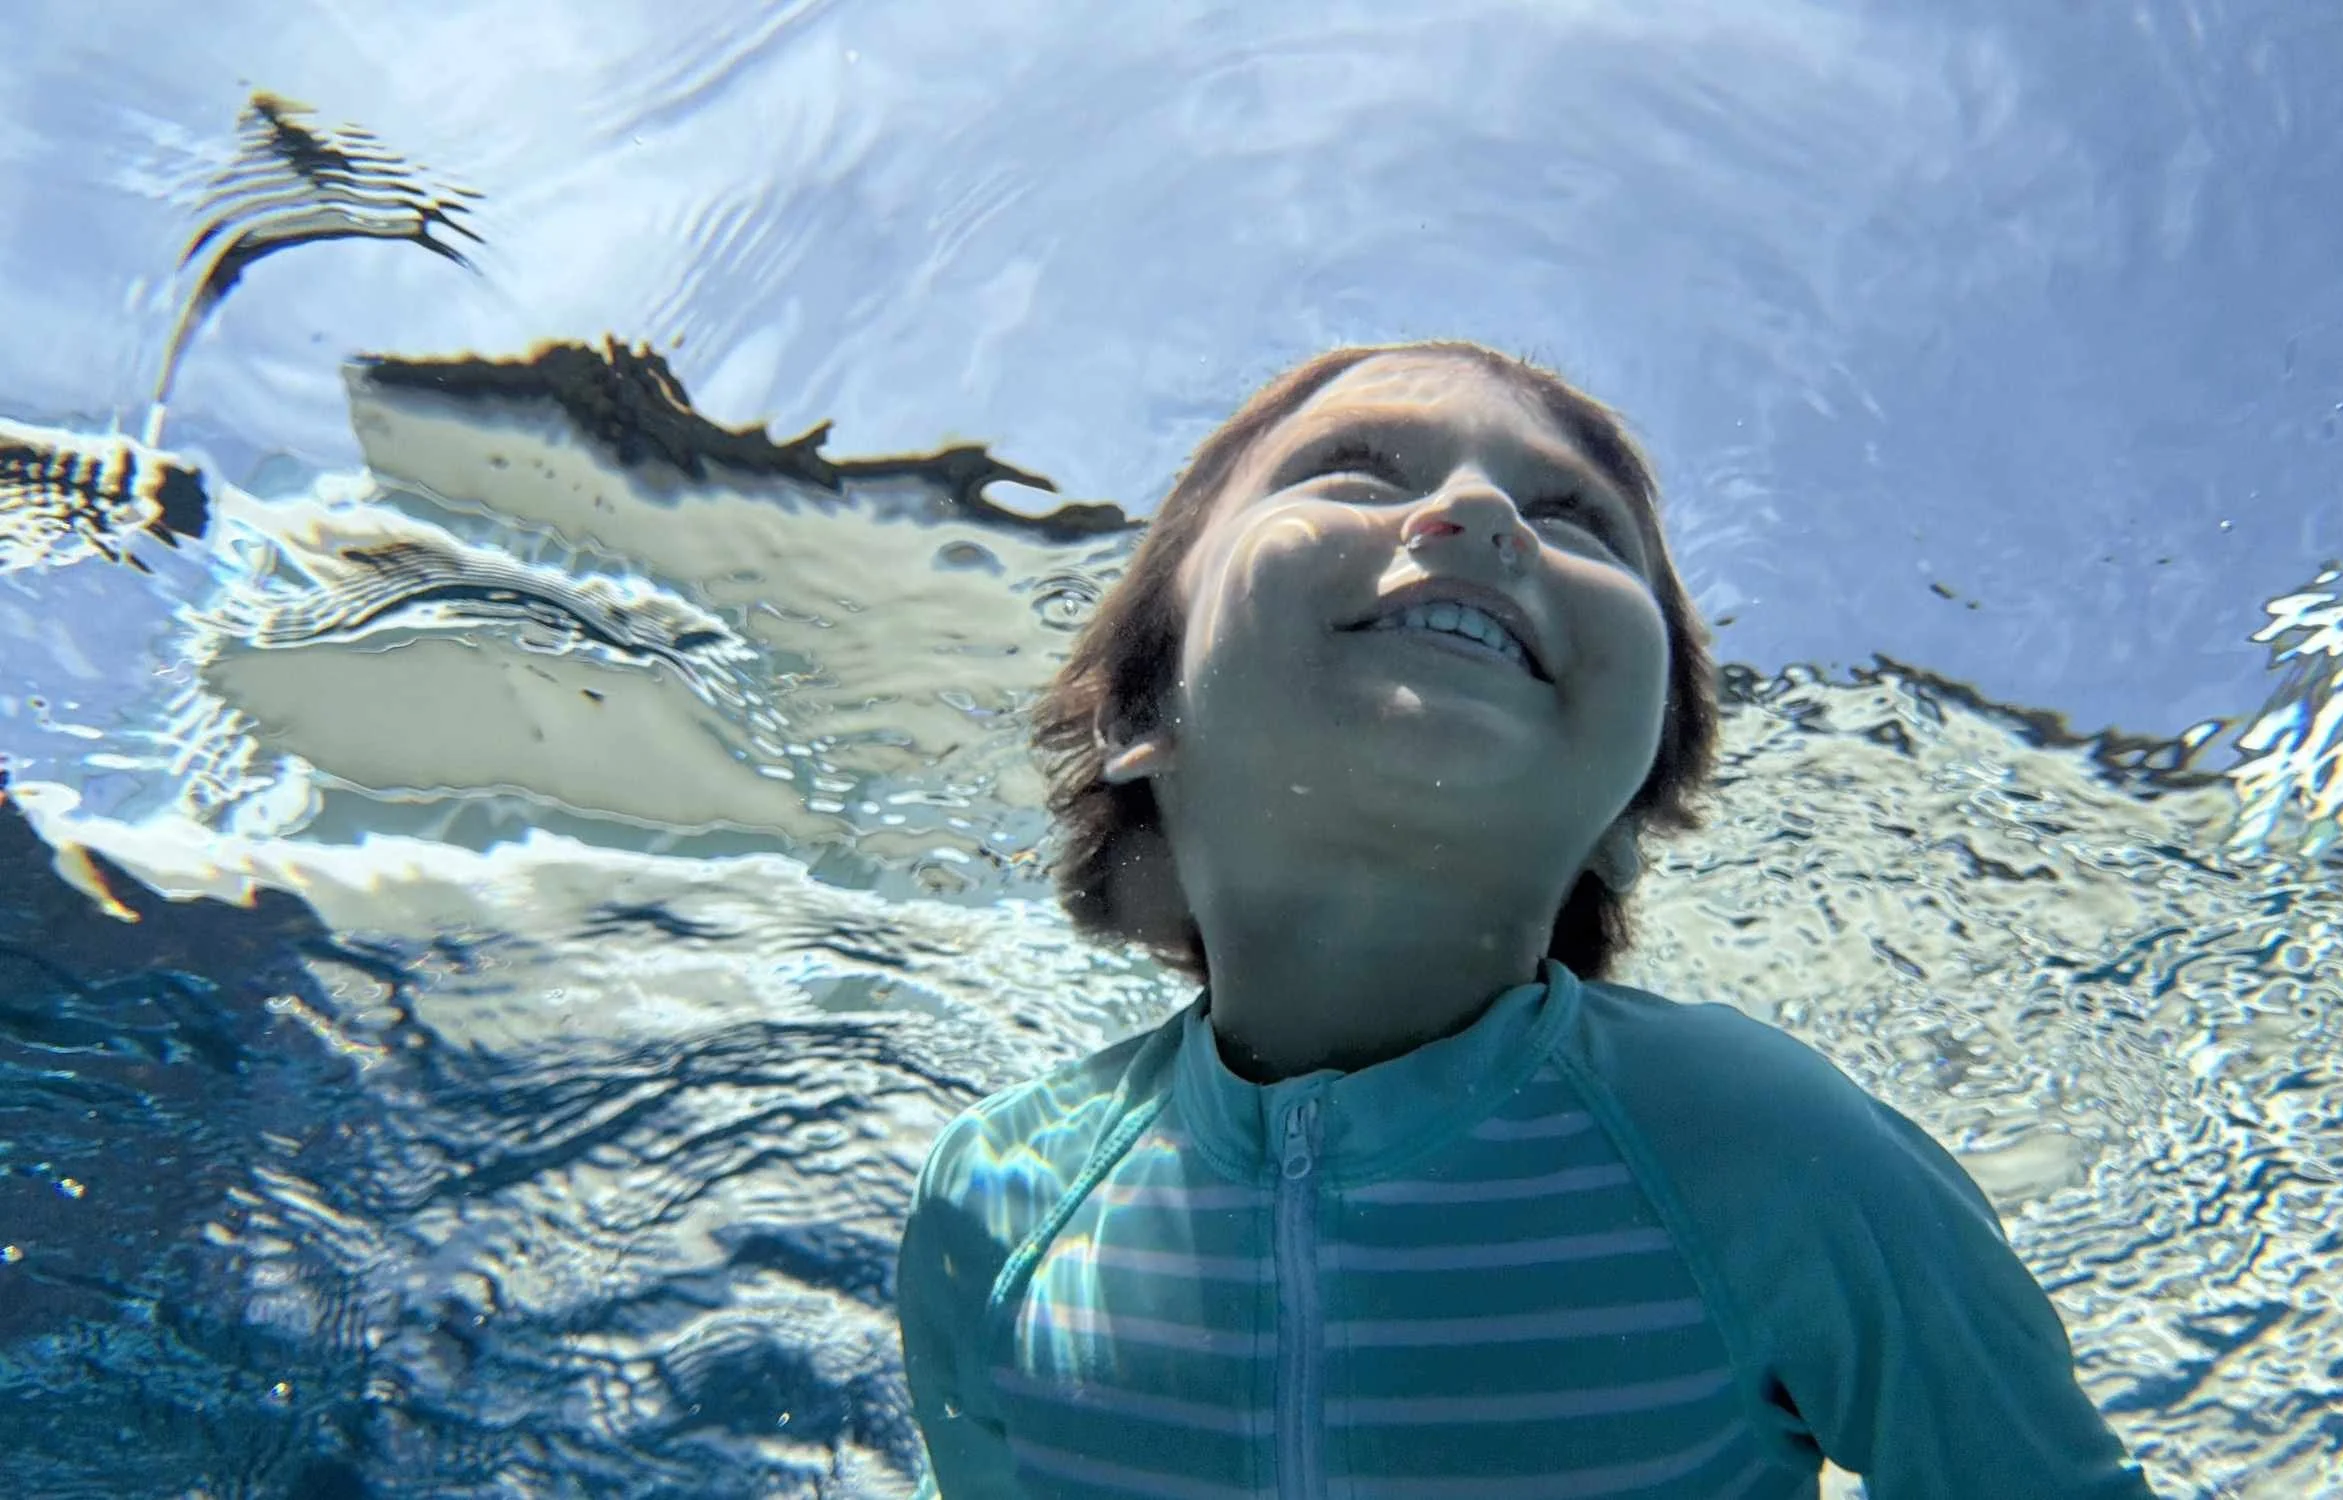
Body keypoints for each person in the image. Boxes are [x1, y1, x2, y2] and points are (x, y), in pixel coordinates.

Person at [895, 342, 2159, 1498]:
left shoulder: (1764, 1149)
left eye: (1577, 522)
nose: (1484, 512)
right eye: (1348, 469)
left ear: (1630, 809)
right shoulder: (995, 1203)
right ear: (1137, 714)